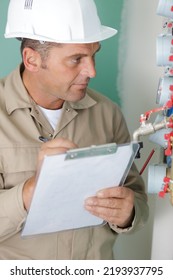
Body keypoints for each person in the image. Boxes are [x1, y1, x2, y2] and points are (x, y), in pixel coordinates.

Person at [0, 0, 148, 260]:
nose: (91, 71)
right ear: (32, 59)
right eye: (76, 59)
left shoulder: (107, 113)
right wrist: (30, 192)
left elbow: (136, 197)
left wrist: (129, 213)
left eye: (94, 54)